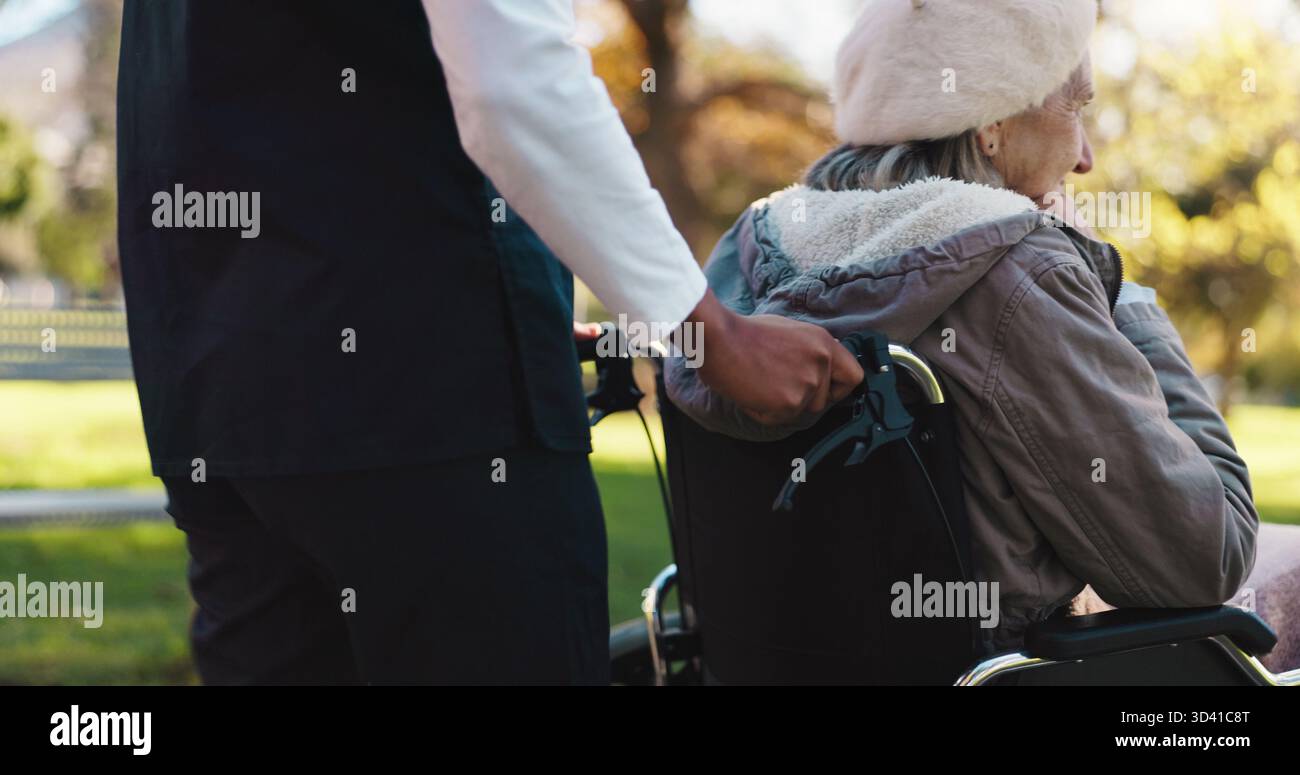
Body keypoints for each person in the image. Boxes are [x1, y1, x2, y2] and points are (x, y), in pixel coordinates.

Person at [115, 0, 862, 685]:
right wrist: (713, 332)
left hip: (220, 395)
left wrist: (508, 299)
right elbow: (510, 77)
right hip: (429, 412)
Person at [665, 0, 1295, 665]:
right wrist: (1121, 294)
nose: (1084, 159)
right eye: (1075, 108)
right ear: (991, 127)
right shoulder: (1019, 274)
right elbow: (1205, 557)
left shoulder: (747, 254)